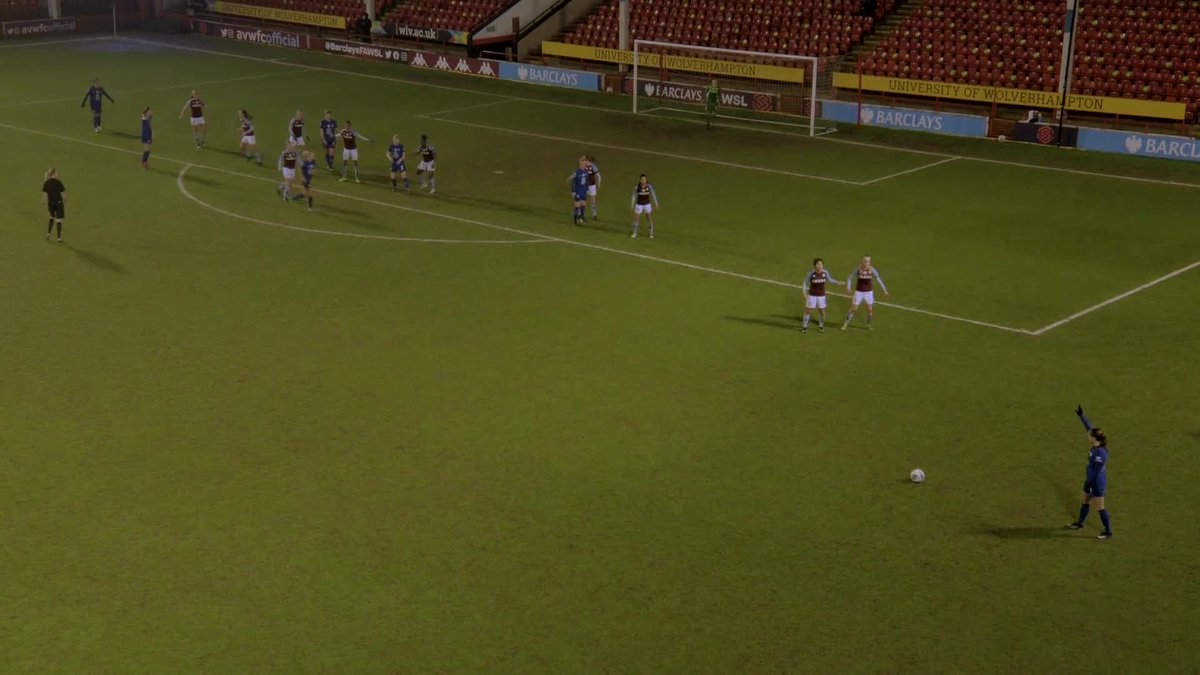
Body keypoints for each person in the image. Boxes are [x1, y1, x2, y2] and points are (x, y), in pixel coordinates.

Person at [1068, 406, 1114, 539]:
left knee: (1100, 507)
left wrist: (1089, 483)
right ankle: (1079, 523)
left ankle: (1108, 531)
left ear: (1094, 438)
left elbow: (1097, 471)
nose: (1087, 435)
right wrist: (1082, 416)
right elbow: (1089, 428)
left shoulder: (1100, 453)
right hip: (1090, 479)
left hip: (1096, 482)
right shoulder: (1096, 444)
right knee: (1084, 501)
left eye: (1090, 435)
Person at [840, 255, 888, 331]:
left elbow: (879, 279)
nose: (866, 263)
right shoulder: (858, 270)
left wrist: (884, 290)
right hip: (859, 292)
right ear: (862, 261)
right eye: (865, 261)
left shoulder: (872, 270)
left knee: (870, 310)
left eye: (868, 261)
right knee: (853, 309)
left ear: (870, 262)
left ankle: (868, 324)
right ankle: (845, 323)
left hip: (869, 292)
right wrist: (848, 287)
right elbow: (850, 278)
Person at [802, 258, 842, 334]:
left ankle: (821, 326)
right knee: (808, 311)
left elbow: (830, 280)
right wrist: (804, 293)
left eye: (821, 264)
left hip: (821, 296)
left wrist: (837, 282)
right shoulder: (811, 274)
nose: (820, 266)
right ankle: (804, 327)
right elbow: (805, 283)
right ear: (815, 266)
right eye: (818, 264)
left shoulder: (825, 273)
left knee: (822, 312)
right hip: (812, 295)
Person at [630, 173, 659, 238]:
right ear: (640, 180)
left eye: (644, 179)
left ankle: (651, 232)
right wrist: (632, 204)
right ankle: (635, 232)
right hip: (639, 204)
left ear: (646, 180)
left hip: (647, 204)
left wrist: (656, 203)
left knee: (648, 218)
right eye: (642, 179)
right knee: (636, 218)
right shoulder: (637, 187)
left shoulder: (649, 186)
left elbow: (653, 194)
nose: (643, 181)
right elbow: (634, 196)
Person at [42, 168, 66, 242]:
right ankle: (59, 238)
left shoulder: (46, 182)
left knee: (51, 217)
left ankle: (48, 234)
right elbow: (63, 192)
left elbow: (44, 193)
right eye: (56, 173)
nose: (57, 174)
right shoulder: (58, 182)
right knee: (59, 220)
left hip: (51, 203)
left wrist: (44, 202)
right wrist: (65, 199)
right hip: (58, 203)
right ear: (53, 174)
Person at [568, 156, 589, 225]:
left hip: (584, 191)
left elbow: (587, 181)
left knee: (583, 204)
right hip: (577, 191)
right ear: (580, 164)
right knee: (577, 205)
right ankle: (575, 219)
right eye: (583, 163)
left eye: (585, 163)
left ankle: (582, 217)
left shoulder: (586, 171)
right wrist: (573, 191)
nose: (584, 165)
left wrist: (587, 189)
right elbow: (573, 182)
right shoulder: (577, 172)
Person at [585, 156, 601, 220]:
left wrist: (599, 183)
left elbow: (598, 175)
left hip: (592, 185)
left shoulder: (593, 167)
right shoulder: (584, 166)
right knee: (583, 199)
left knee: (593, 200)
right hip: (585, 185)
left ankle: (594, 215)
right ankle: (581, 213)